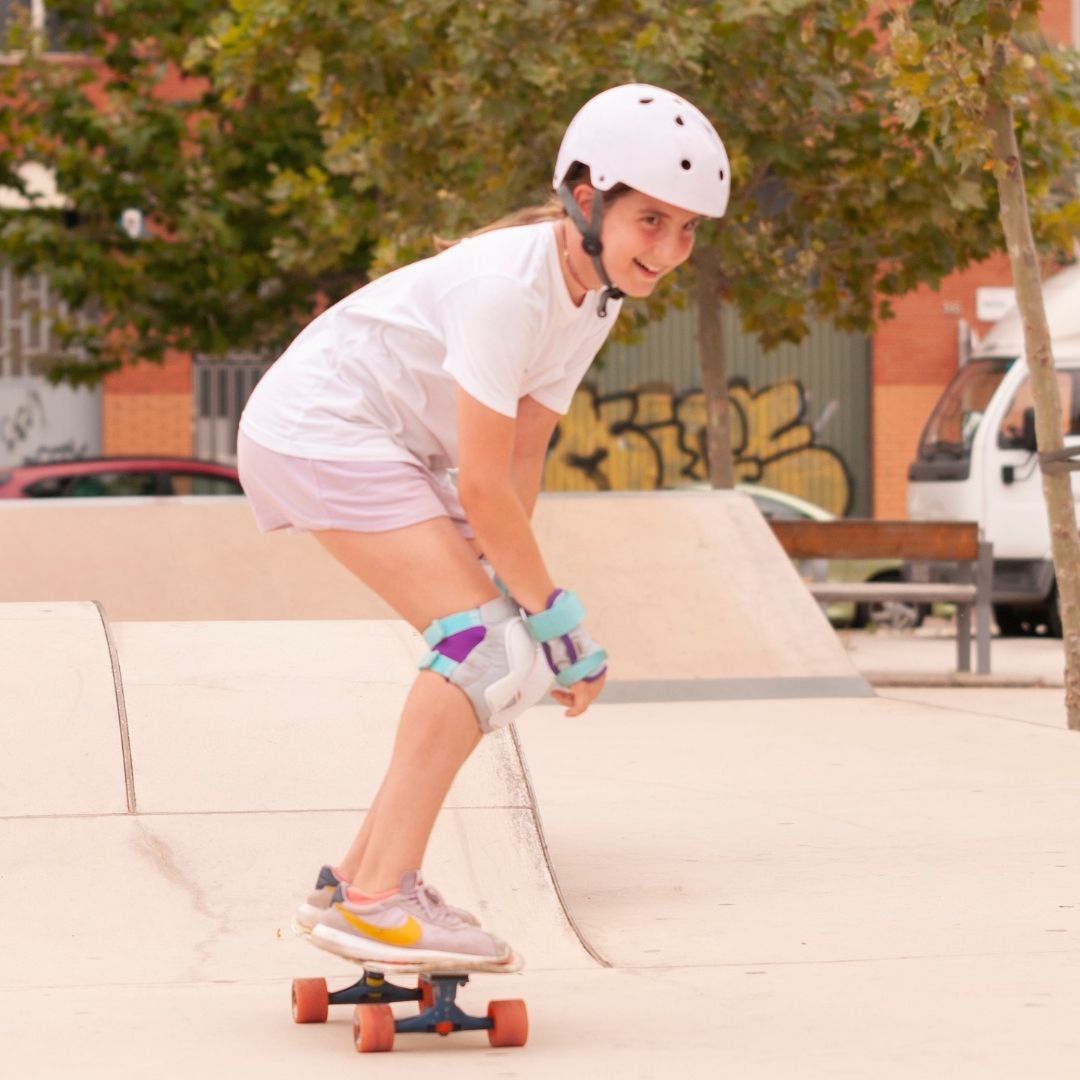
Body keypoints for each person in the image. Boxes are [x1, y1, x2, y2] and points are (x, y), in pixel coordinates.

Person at [237, 83, 730, 968]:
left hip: (377, 444)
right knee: (488, 649)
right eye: (651, 221)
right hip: (324, 430)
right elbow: (480, 483)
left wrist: (515, 592)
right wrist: (556, 620)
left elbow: (522, 458)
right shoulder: (510, 287)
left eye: (688, 229)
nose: (671, 248)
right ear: (588, 200)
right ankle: (380, 898)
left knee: (491, 644)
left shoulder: (594, 299)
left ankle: (352, 882)